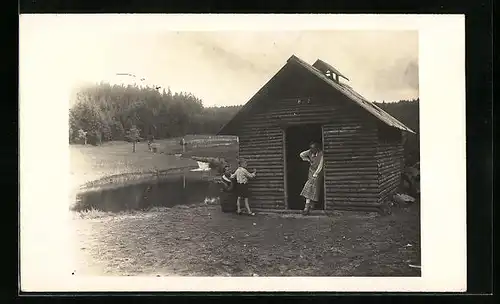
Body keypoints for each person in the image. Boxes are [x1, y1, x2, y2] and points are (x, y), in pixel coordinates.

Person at [299, 142, 324, 215]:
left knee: (314, 188)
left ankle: (309, 207)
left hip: (318, 173)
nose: (312, 150)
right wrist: (307, 160)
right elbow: (301, 154)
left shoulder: (321, 154)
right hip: (311, 171)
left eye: (313, 149)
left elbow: (320, 166)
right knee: (309, 187)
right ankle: (308, 207)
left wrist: (315, 174)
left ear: (317, 148)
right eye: (311, 149)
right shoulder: (310, 152)